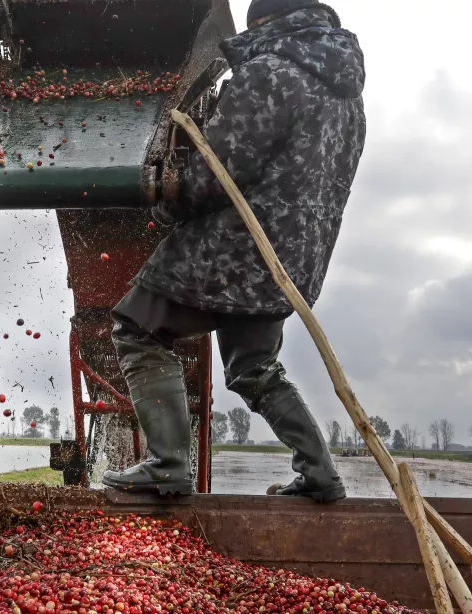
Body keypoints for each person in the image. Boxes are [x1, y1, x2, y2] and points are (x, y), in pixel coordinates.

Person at [103, 0, 366, 501]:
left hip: (235, 247)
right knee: (253, 368)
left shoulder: (269, 71)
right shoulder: (348, 98)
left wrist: (164, 203)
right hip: (290, 262)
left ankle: (168, 465)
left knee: (137, 326)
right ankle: (321, 476)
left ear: (262, 22)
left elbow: (212, 176)